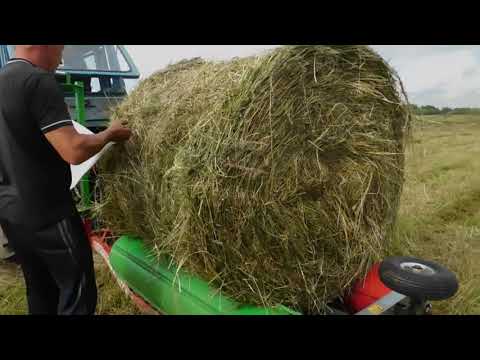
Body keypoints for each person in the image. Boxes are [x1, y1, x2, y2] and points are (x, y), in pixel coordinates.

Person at [0, 45, 132, 315]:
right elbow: (74, 150)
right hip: (48, 213)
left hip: (10, 213)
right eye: (60, 49)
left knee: (40, 289)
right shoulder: (36, 81)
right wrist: (109, 134)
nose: (61, 59)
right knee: (78, 292)